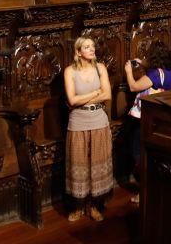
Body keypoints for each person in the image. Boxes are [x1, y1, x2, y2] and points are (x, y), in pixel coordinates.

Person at [63, 37, 113, 222]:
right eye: (87, 47)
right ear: (78, 52)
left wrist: (85, 97)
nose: (92, 49)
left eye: (93, 46)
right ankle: (79, 206)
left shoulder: (101, 68)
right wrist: (94, 93)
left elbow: (107, 95)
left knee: (97, 164)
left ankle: (93, 206)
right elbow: (72, 100)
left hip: (99, 121)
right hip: (77, 122)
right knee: (79, 164)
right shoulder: (70, 71)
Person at [123, 41, 171, 206]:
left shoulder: (153, 75)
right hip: (159, 117)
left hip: (143, 118)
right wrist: (142, 63)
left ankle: (144, 192)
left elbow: (133, 86)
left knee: (138, 155)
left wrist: (128, 71)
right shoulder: (169, 71)